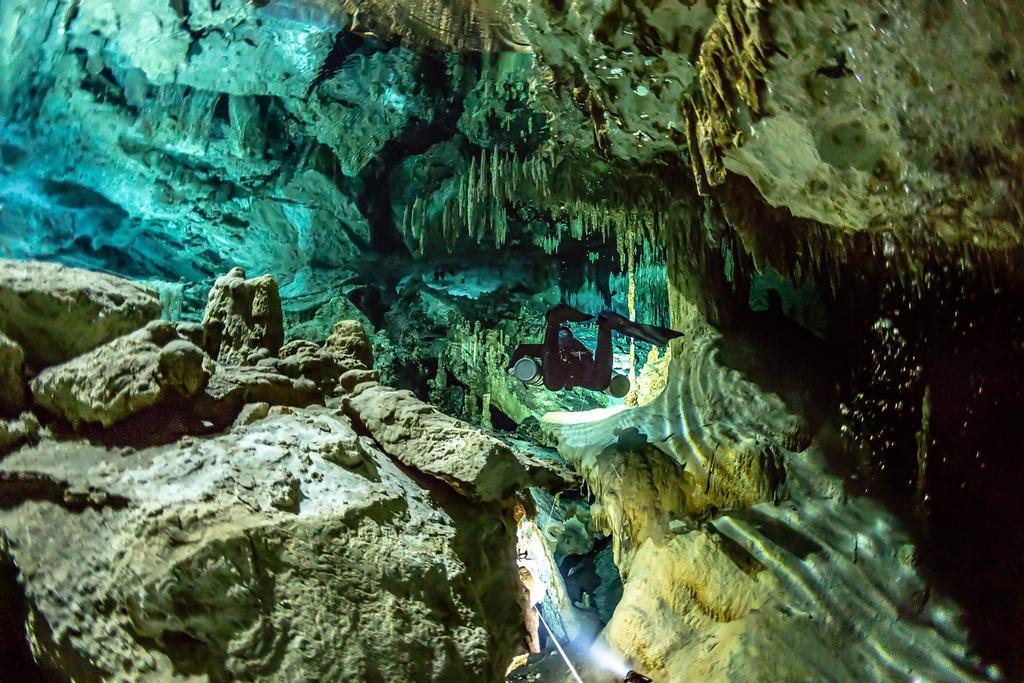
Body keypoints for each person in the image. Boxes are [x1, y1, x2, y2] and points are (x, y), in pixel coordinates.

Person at [508, 304, 682, 394]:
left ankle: (554, 321)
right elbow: (596, 361)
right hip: (581, 366)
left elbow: (523, 349)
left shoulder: (561, 342)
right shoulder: (578, 343)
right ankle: (604, 326)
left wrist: (511, 367)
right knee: (599, 383)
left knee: (552, 383)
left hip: (566, 364)